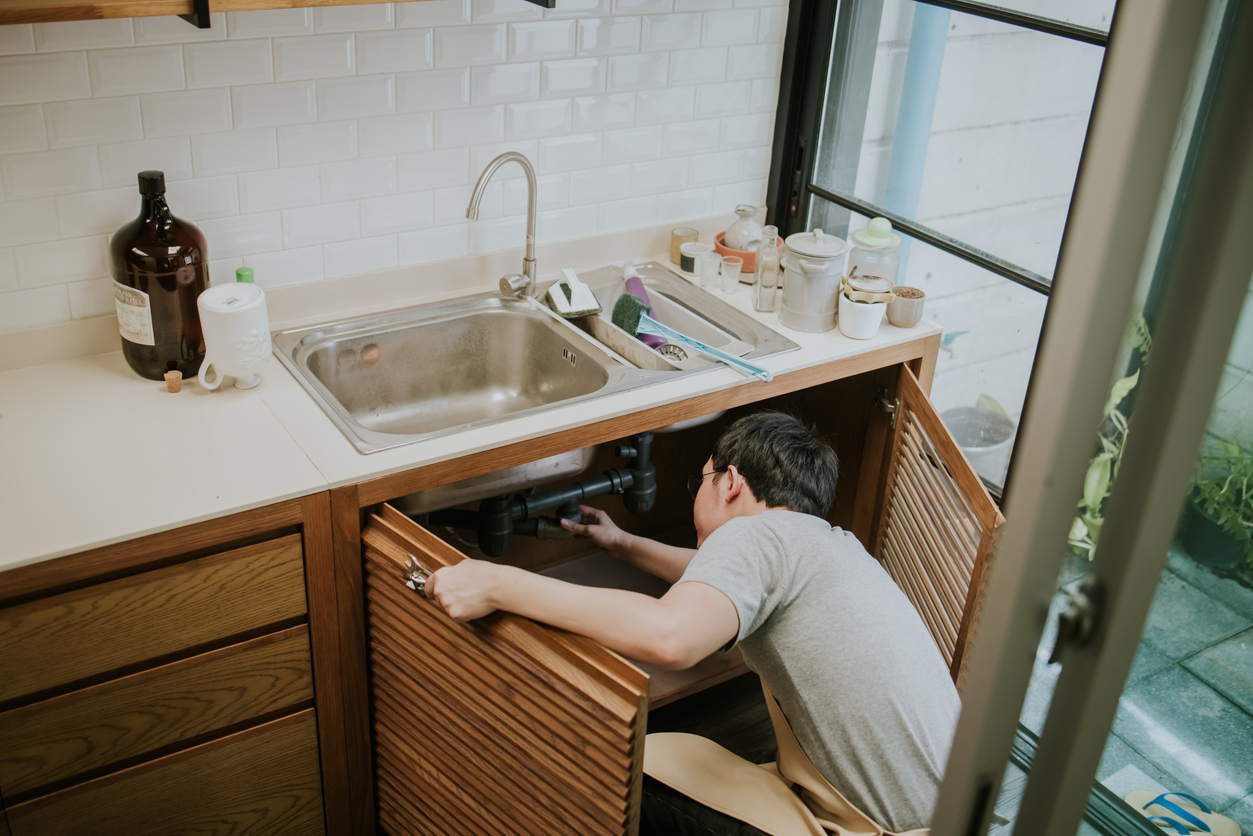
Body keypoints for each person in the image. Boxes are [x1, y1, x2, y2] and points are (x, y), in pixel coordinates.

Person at [425, 412, 961, 834]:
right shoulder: (830, 547)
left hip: (874, 830)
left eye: (698, 481)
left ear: (730, 482)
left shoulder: (758, 538)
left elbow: (671, 637)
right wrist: (623, 544)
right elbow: (725, 586)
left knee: (601, 763)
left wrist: (496, 583)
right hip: (954, 818)